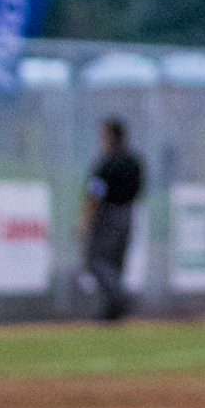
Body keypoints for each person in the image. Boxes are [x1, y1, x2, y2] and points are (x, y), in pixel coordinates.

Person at [81, 117, 143, 319]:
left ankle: (118, 297)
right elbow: (140, 189)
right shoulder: (133, 162)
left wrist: (86, 222)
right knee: (116, 263)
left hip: (108, 216)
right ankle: (112, 311)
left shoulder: (105, 163)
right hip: (128, 214)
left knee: (95, 261)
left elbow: (94, 195)